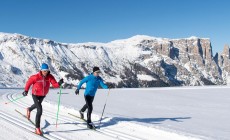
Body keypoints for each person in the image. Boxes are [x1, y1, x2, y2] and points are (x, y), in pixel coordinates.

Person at [22, 63, 64, 135]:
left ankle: (29, 109)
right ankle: (37, 128)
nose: (46, 72)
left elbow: (54, 85)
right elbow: (28, 83)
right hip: (35, 94)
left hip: (43, 95)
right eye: (44, 71)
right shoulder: (35, 77)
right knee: (40, 109)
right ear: (41, 70)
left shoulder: (50, 77)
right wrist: (26, 90)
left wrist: (59, 83)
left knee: (36, 105)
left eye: (47, 71)